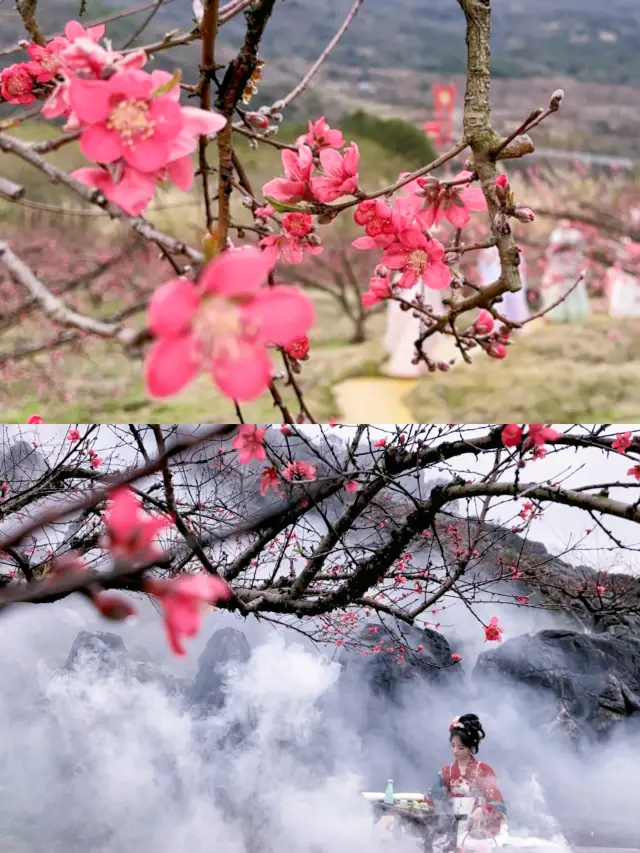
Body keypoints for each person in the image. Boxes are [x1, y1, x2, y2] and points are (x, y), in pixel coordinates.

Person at [427, 714, 506, 846]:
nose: (455, 751)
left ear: (471, 747)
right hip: (452, 830)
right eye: (452, 746)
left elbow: (498, 803)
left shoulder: (483, 770)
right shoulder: (447, 772)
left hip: (480, 831)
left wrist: (483, 810)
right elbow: (433, 799)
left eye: (460, 747)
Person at [539, 221, 590, 322]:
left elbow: (579, 253)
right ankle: (556, 314)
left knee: (572, 289)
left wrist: (577, 264)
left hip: (571, 268)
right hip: (558, 267)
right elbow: (550, 253)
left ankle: (574, 313)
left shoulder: (575, 238)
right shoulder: (556, 237)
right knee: (557, 290)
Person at [476, 246, 530, 327]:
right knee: (498, 304)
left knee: (515, 301)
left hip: (511, 277)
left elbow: (521, 266)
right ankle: (495, 325)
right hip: (494, 278)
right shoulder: (489, 249)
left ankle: (517, 323)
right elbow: (483, 263)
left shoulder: (511, 247)